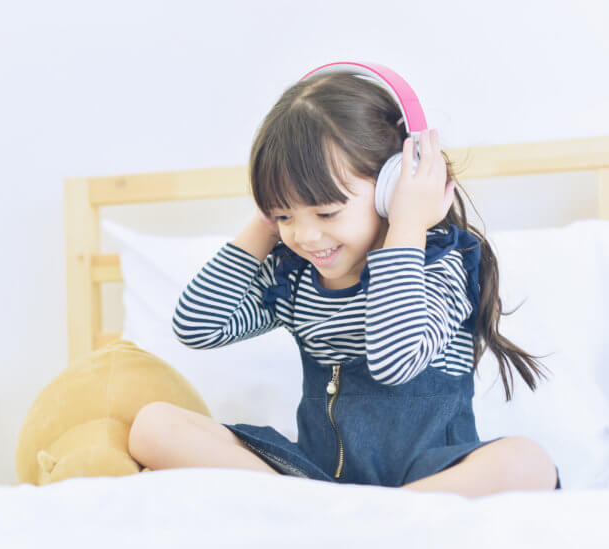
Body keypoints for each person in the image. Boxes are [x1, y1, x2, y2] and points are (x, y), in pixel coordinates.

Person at [126, 67, 562, 498]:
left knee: (527, 461)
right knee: (153, 426)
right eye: (285, 215)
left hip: (428, 475)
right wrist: (265, 221)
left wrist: (407, 225)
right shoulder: (294, 279)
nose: (305, 236)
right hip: (319, 480)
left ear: (392, 187)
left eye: (326, 212)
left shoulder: (438, 265)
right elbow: (197, 326)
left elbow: (395, 361)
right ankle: (318, 507)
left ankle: (388, 514)